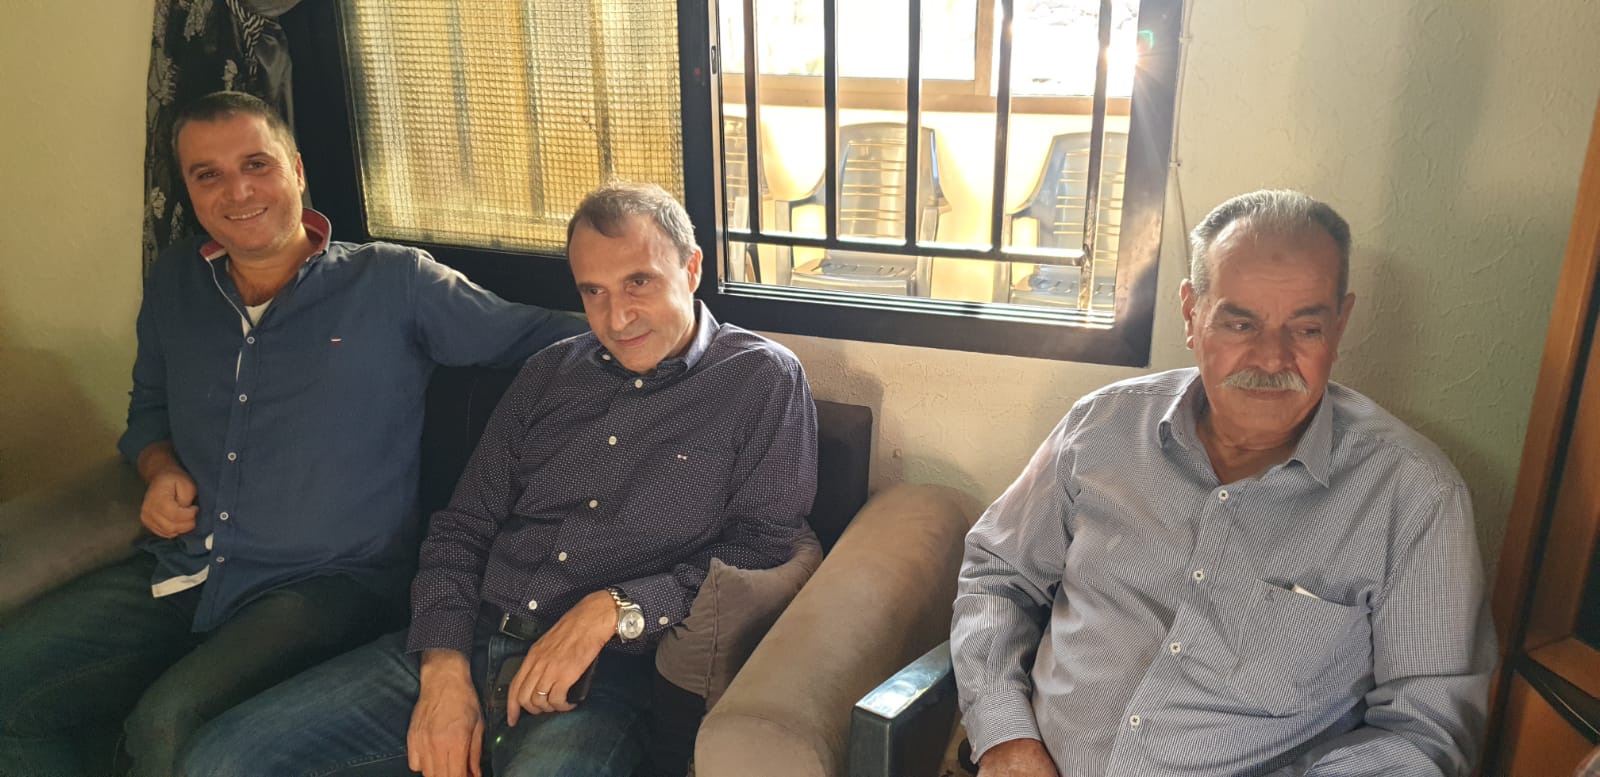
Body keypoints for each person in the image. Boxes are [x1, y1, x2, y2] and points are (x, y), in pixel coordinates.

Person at [0, 91, 586, 777]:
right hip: (184, 567)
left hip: (327, 585)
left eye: (257, 164)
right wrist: (159, 468)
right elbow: (148, 411)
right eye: (208, 174)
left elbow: (534, 334)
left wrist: (673, 326)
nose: (238, 191)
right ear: (188, 190)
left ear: (298, 171)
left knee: (167, 724)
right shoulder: (176, 282)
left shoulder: (393, 281)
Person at [177, 181, 819, 777]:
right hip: (471, 634)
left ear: (692, 268)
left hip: (602, 679)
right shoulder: (549, 373)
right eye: (593, 291)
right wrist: (443, 666)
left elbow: (761, 548)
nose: (617, 316)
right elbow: (462, 529)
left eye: (639, 282)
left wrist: (615, 608)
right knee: (217, 759)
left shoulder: (762, 380)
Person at [951, 189, 1495, 777]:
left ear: (1340, 325)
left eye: (1306, 329)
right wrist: (1004, 738)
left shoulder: (1414, 494)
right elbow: (999, 576)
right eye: (1241, 323)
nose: (1271, 358)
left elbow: (1426, 731)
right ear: (1192, 313)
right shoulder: (1101, 426)